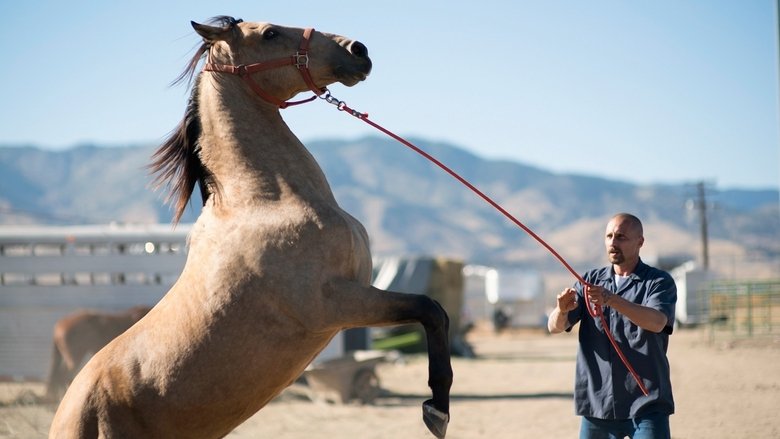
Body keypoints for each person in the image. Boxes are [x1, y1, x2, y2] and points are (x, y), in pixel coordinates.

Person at [547, 213, 676, 439]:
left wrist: (611, 299)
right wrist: (561, 310)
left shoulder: (658, 282)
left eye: (621, 237)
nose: (613, 243)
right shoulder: (589, 282)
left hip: (646, 405)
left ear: (640, 242)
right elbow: (554, 327)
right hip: (598, 406)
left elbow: (657, 322)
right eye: (609, 236)